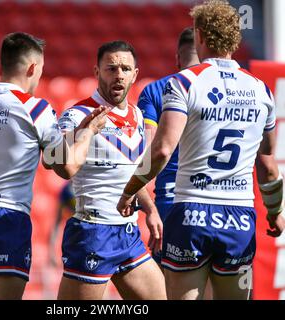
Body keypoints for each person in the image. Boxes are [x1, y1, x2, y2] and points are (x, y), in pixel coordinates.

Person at [117, 0, 285, 300]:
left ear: (200, 36)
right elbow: (269, 162)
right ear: (236, 38)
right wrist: (274, 212)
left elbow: (162, 150)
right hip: (239, 217)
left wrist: (130, 190)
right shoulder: (261, 90)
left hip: (191, 213)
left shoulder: (184, 82)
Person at [0, 32, 108, 300]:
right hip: (5, 220)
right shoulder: (34, 108)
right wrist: (88, 132)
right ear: (32, 68)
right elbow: (66, 167)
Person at [57, 40, 167, 300]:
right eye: (111, 68)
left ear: (135, 74)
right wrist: (83, 132)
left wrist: (150, 210)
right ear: (97, 72)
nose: (119, 75)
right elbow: (60, 164)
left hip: (128, 233)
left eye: (125, 69)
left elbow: (132, 173)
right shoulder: (77, 114)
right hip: (94, 231)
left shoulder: (138, 116)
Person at [138, 27, 199, 263]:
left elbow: (150, 149)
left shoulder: (155, 90)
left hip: (171, 199)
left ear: (177, 58)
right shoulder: (234, 89)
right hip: (224, 202)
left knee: (169, 283)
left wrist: (132, 192)